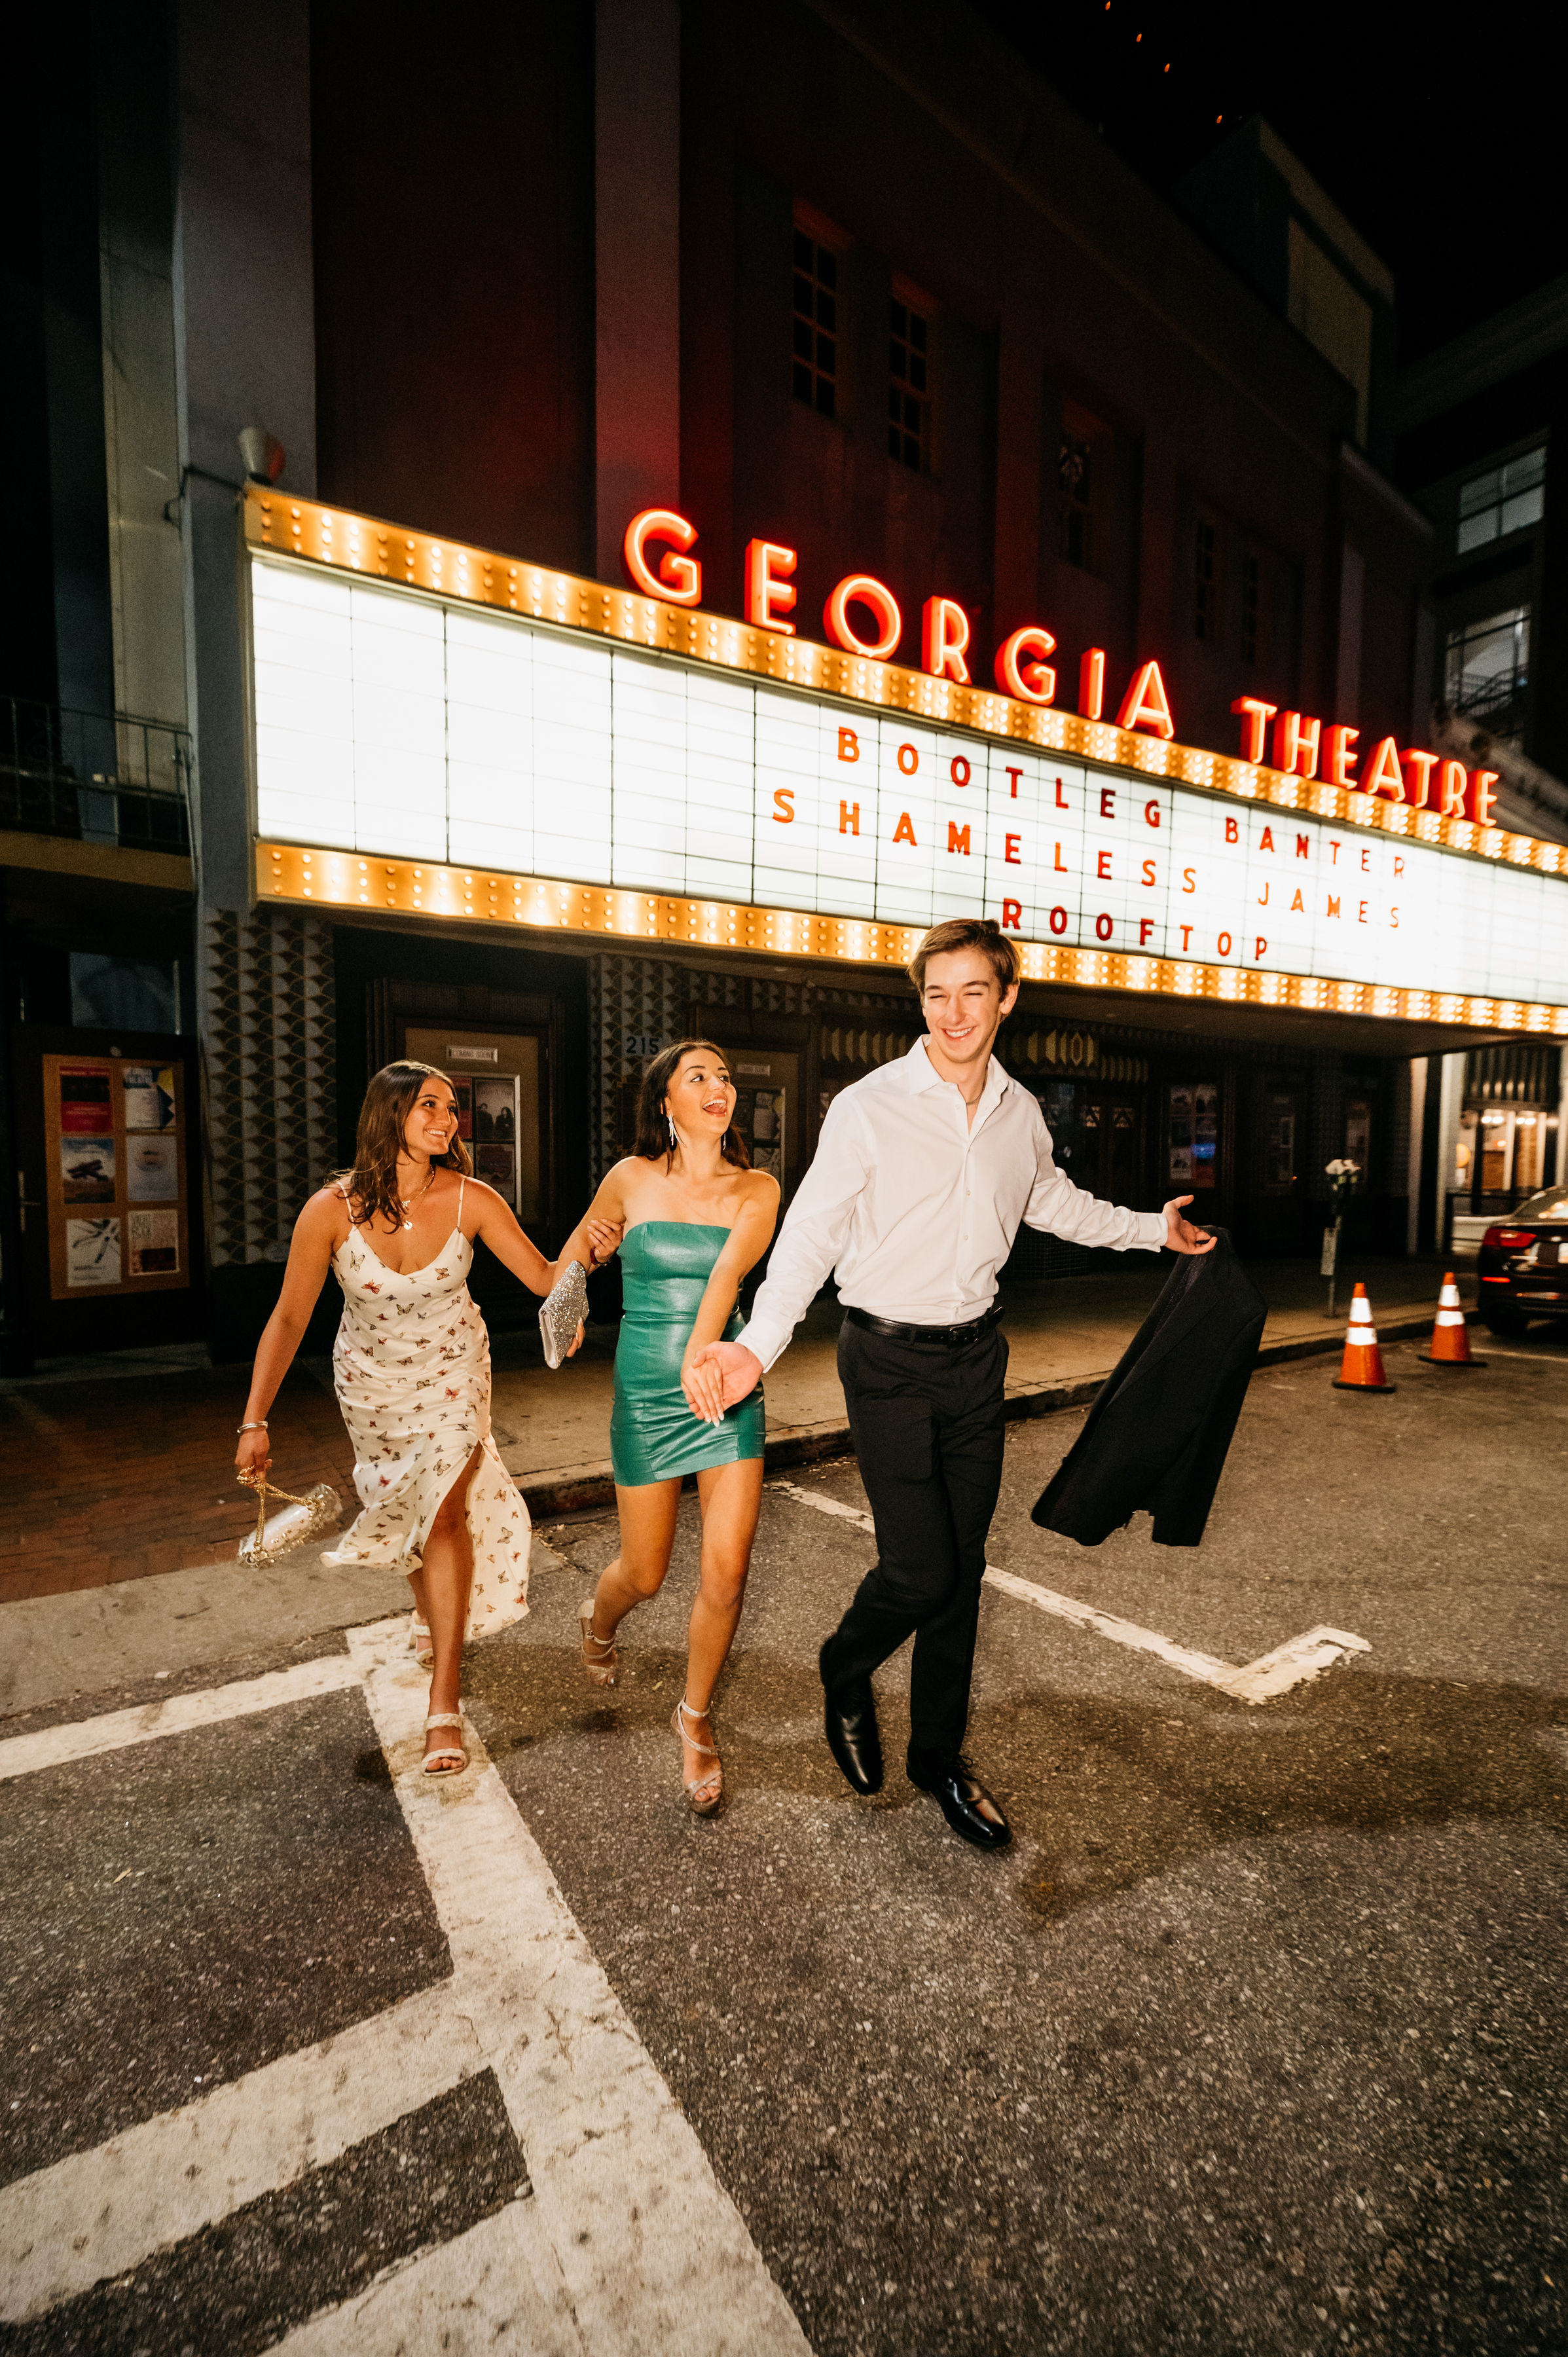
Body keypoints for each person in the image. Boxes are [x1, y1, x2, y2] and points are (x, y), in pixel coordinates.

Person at [690, 917, 1214, 1850]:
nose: (954, 1012)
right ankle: (844, 1664)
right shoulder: (867, 1104)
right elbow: (810, 1233)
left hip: (976, 1358)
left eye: (974, 991)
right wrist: (756, 1346)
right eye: (936, 993)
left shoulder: (1019, 1112)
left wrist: (1149, 1230)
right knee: (919, 1568)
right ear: (919, 1001)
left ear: (1006, 997)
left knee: (960, 1577)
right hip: (885, 1360)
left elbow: (1048, 1201)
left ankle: (938, 1757)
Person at [234, 1061, 615, 1774]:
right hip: (371, 1391)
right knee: (412, 1515)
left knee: (440, 1514)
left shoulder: (472, 1199)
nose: (448, 1119)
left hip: (453, 1380)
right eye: (429, 1107)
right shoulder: (329, 1211)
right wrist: (254, 1419)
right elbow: (288, 1318)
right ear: (388, 1117)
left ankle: (445, 1704)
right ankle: (432, 1613)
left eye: (451, 1108)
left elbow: (540, 1277)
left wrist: (585, 1258)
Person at [556, 1040, 779, 1814]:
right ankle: (598, 1619)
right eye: (700, 1077)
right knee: (643, 1574)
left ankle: (694, 1719)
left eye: (725, 1076)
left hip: (723, 1388)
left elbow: (725, 1277)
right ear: (666, 1102)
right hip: (648, 1393)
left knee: (727, 1571)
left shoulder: (758, 1187)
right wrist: (584, 1261)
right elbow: (563, 1280)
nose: (719, 1087)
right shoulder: (629, 1178)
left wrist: (703, 1360)